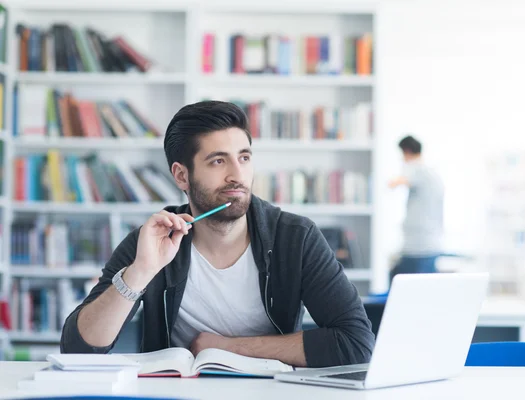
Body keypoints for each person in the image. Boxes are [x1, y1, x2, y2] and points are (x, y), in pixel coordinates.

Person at [60, 100, 375, 368]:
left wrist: (228, 348)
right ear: (182, 175)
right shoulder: (154, 240)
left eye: (244, 157)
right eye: (218, 161)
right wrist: (140, 272)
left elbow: (356, 343)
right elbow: (79, 350)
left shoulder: (296, 238)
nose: (237, 175)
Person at [388, 135, 444, 279]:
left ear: (406, 151)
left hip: (418, 246)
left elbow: (396, 183)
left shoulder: (416, 168)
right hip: (431, 243)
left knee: (402, 287)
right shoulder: (432, 172)